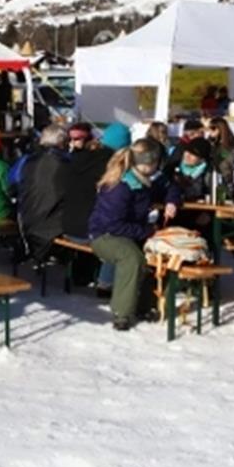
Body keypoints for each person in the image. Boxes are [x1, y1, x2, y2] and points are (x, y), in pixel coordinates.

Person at [87, 138, 180, 331]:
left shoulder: (147, 179)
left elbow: (169, 186)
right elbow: (113, 224)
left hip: (131, 233)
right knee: (132, 258)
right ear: (150, 163)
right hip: (105, 235)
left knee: (160, 253)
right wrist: (147, 231)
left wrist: (172, 201)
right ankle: (122, 312)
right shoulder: (121, 186)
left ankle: (147, 304)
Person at [61, 122, 124, 290]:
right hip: (86, 231)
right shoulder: (110, 165)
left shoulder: (73, 160)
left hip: (67, 226)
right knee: (120, 238)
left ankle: (84, 275)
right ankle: (106, 283)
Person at [18, 125, 69, 262]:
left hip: (27, 218)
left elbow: (13, 182)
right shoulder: (65, 163)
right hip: (51, 224)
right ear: (61, 143)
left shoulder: (27, 160)